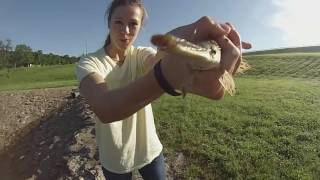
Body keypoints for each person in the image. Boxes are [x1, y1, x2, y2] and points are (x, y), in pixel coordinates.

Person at [75, 0, 251, 179]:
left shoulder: (141, 54)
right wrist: (164, 77)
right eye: (118, 22)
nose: (125, 31)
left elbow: (159, 59)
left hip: (149, 151)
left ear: (141, 27)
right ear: (108, 23)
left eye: (133, 24)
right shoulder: (89, 62)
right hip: (114, 159)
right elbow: (105, 108)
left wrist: (179, 49)